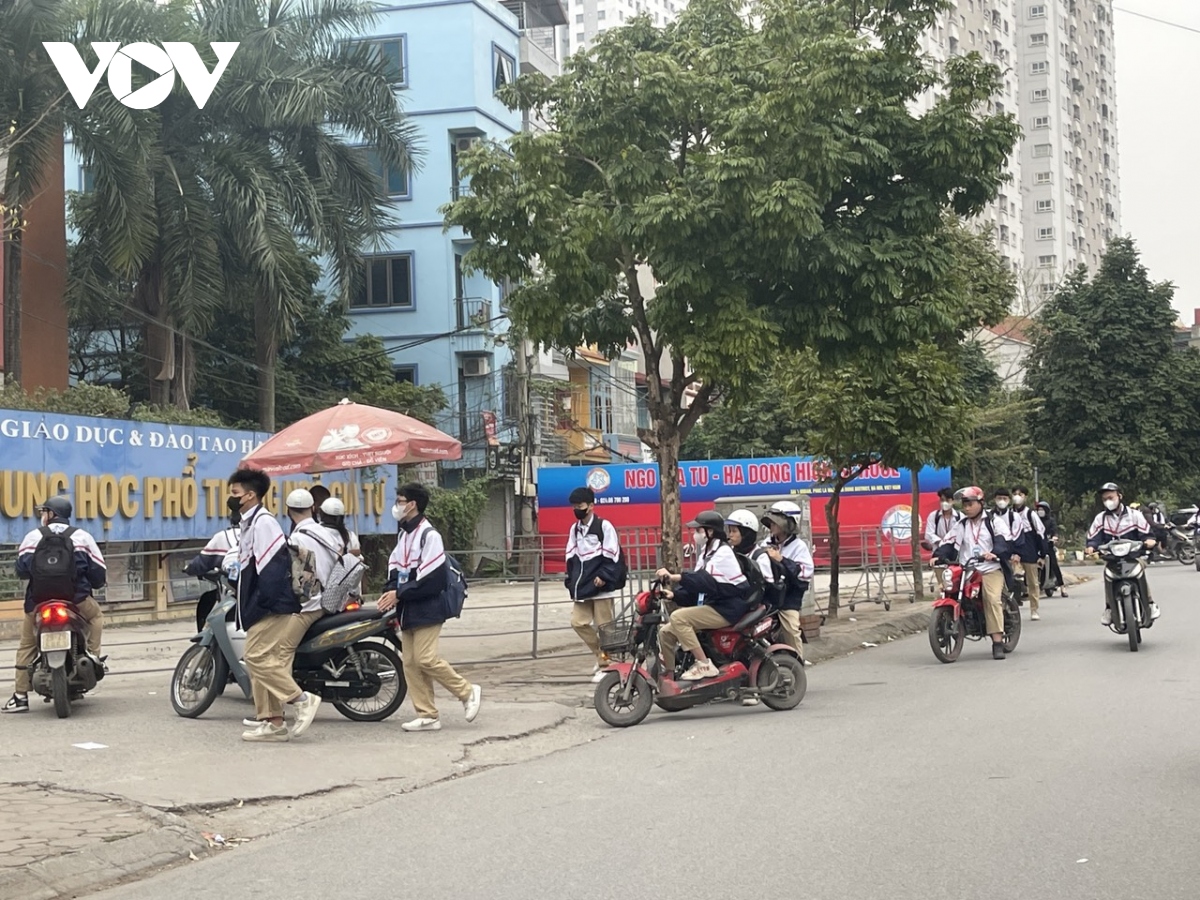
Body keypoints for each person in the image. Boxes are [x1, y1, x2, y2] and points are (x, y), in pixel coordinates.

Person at [378, 482, 482, 732]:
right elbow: (395, 568)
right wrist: (390, 591)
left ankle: (467, 691)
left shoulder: (429, 535)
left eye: (400, 500)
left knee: (426, 658)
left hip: (428, 606)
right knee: (411, 662)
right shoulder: (404, 534)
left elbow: (432, 580)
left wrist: (399, 593)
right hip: (408, 607)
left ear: (412, 504)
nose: (396, 505)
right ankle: (427, 714)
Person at [229, 470, 321, 743]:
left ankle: (301, 699)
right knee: (262, 661)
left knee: (255, 657)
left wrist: (263, 604)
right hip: (260, 604)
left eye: (235, 494)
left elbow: (271, 568)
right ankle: (273, 722)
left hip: (271, 605)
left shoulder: (263, 523)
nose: (231, 499)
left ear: (250, 495)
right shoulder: (249, 522)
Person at [3, 498, 106, 714]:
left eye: (44, 511)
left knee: (27, 645)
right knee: (96, 618)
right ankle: (93, 658)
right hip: (76, 601)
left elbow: (21, 570)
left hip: (38, 603)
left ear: (50, 514)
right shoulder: (82, 536)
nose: (42, 515)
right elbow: (98, 573)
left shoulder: (33, 536)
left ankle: (20, 696)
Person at [654, 510, 751, 681]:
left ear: (710, 532)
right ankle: (669, 677)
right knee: (665, 632)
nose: (695, 534)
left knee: (678, 618)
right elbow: (696, 587)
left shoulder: (723, 553)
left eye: (699, 530)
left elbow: (703, 580)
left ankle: (704, 663)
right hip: (713, 606)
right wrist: (673, 595)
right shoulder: (707, 553)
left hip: (727, 609)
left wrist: (674, 576)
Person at [934, 486, 1011, 660]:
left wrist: (995, 553)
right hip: (967, 570)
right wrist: (938, 556)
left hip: (990, 569)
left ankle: (997, 642)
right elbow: (949, 541)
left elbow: (1003, 540)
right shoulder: (961, 524)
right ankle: (944, 628)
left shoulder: (993, 521)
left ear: (981, 503)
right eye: (964, 504)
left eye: (970, 503)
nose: (966, 507)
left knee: (991, 599)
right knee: (947, 589)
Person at [564, 487, 623, 673]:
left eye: (580, 505)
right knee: (578, 622)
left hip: (601, 586)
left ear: (591, 506)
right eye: (574, 506)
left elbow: (612, 554)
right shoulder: (575, 529)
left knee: (605, 628)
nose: (577, 509)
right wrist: (571, 581)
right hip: (583, 586)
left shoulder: (604, 526)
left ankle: (608, 663)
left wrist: (604, 576)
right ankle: (602, 655)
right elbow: (571, 555)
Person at [1085, 482, 1160, 625]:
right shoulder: (1100, 518)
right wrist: (1091, 547)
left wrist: (1149, 541)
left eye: (1111, 497)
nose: (1108, 501)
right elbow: (1093, 537)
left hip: (1134, 556)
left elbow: (1147, 534)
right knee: (1108, 575)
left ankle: (1150, 603)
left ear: (1119, 496)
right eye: (1105, 499)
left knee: (1140, 571)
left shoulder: (1135, 515)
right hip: (1112, 559)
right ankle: (1109, 608)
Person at [760, 501, 814, 664]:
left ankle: (797, 665)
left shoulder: (799, 547)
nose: (772, 525)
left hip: (788, 599)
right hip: (768, 596)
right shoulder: (766, 543)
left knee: (791, 628)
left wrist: (782, 560)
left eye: (776, 521)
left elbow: (805, 572)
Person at [183, 510, 241, 632]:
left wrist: (189, 569)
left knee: (209, 602)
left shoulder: (223, 536)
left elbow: (201, 562)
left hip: (232, 593)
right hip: (258, 594)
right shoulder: (258, 534)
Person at [1008, 485, 1047, 621]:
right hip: (1013, 552)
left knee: (1032, 582)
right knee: (1010, 580)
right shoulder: (1008, 514)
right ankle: (1010, 608)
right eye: (1015, 494)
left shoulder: (1031, 514)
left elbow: (1040, 533)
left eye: (1020, 494)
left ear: (1025, 497)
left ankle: (1034, 609)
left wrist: (1042, 554)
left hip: (1029, 552)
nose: (1017, 496)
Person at [923, 487, 962, 595]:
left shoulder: (960, 517)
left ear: (953, 501)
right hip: (939, 556)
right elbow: (928, 534)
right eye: (942, 500)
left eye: (948, 500)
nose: (944, 503)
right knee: (943, 585)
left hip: (955, 556)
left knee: (956, 584)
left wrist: (950, 542)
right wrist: (943, 542)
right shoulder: (934, 516)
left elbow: (961, 535)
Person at [1035, 501, 1068, 599]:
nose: (1040, 511)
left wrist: (1054, 537)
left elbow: (1054, 531)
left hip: (1048, 546)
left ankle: (1062, 587)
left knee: (1054, 565)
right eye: (1038, 509)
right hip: (1037, 547)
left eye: (1042, 509)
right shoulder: (1035, 520)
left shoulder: (1051, 521)